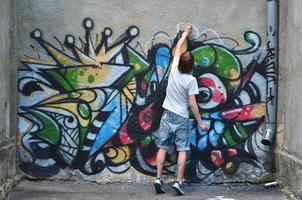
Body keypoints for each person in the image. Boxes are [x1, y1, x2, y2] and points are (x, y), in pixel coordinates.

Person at [154, 24, 208, 196]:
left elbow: (177, 48)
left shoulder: (174, 69)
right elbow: (193, 104)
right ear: (191, 66)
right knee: (182, 150)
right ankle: (178, 182)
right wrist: (200, 122)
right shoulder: (191, 80)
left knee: (162, 147)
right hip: (181, 118)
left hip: (167, 115)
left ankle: (157, 178)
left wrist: (185, 34)